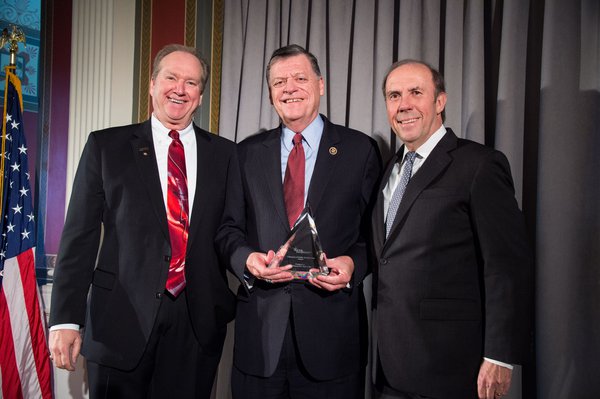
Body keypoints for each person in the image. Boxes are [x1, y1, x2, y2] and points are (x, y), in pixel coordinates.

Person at [48, 44, 236, 398]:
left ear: (200, 96)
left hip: (196, 325)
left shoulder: (226, 155)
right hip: (119, 320)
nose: (179, 89)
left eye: (191, 82)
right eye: (171, 77)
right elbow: (79, 238)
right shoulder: (107, 146)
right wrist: (65, 319)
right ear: (152, 84)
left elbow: (232, 232)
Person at [216, 44, 381, 399]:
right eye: (279, 82)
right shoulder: (244, 154)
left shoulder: (360, 150)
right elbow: (228, 229)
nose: (290, 88)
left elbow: (376, 236)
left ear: (321, 85)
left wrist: (352, 264)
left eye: (300, 78)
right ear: (271, 94)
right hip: (260, 340)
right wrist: (247, 260)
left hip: (332, 337)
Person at [371, 60, 532, 399]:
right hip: (389, 365)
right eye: (394, 95)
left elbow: (506, 264)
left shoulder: (479, 165)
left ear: (440, 101)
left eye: (417, 93)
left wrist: (499, 355)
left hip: (452, 366)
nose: (404, 105)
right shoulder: (391, 170)